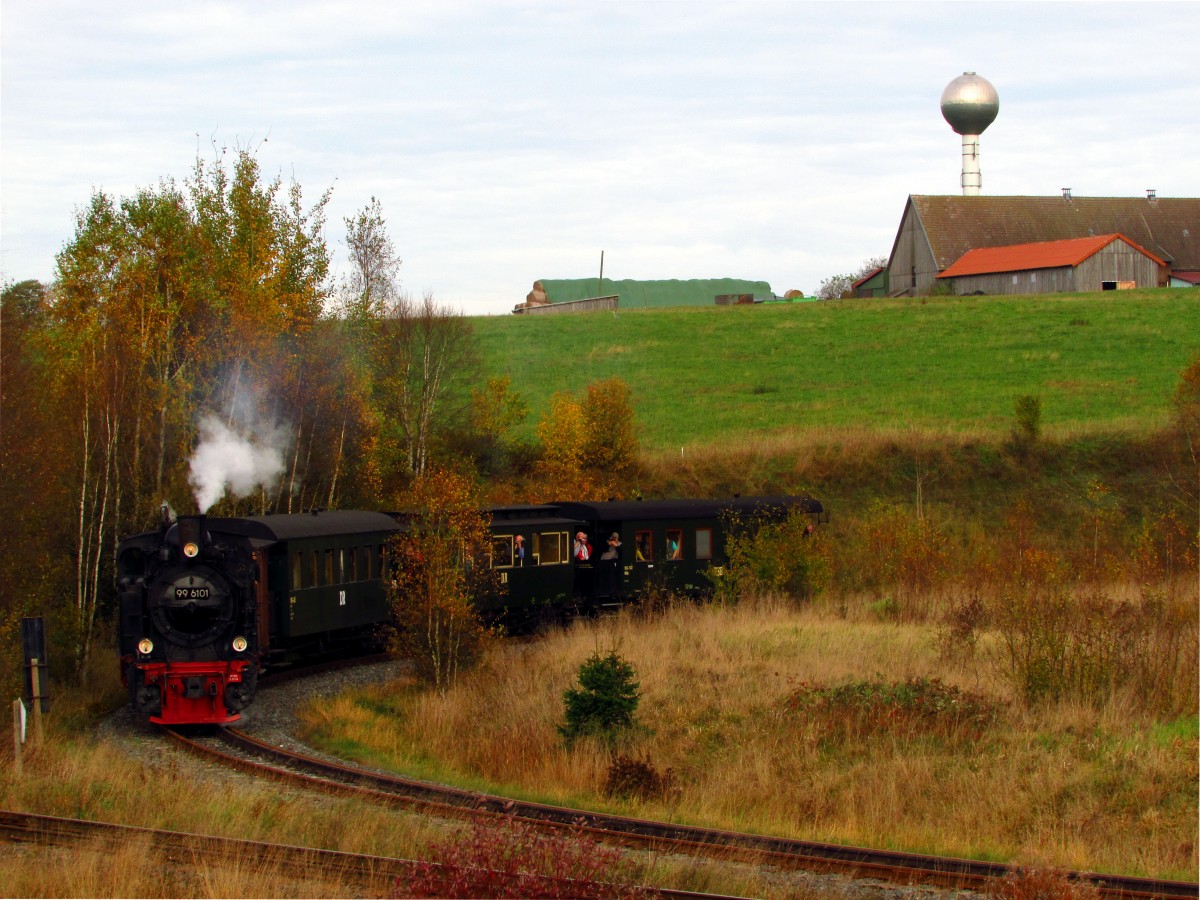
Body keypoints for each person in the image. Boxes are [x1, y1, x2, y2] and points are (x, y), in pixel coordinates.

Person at [598, 532, 622, 600]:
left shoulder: (620, 544)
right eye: (613, 538)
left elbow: (621, 552)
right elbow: (602, 549)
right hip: (603, 561)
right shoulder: (607, 542)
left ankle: (612, 593)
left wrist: (616, 545)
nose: (614, 539)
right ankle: (602, 592)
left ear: (617, 538)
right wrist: (609, 544)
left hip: (612, 561)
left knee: (612, 578)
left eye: (615, 538)